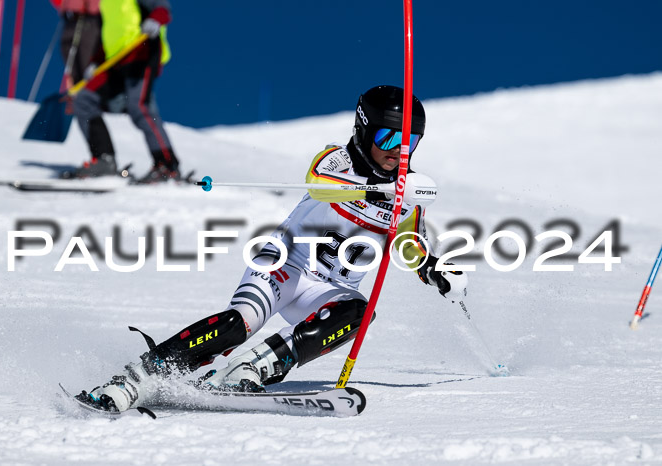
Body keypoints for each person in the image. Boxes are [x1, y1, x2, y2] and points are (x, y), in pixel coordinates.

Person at [75, 85, 468, 413]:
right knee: (238, 323)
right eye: (387, 137)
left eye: (409, 140)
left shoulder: (408, 195)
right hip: (285, 265)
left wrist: (434, 268)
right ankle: (134, 379)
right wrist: (374, 191)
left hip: (326, 289)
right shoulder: (340, 160)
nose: (398, 150)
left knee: (358, 312)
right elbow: (317, 182)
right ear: (364, 132)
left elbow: (407, 243)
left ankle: (252, 367)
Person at [63, 0, 181, 183]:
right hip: (115, 62)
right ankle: (104, 160)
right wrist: (96, 60)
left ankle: (167, 165)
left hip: (140, 54)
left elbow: (162, 8)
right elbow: (109, 32)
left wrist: (156, 20)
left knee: (139, 107)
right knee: (84, 100)